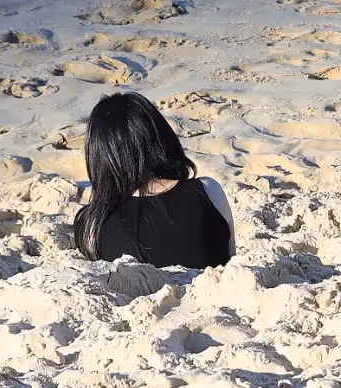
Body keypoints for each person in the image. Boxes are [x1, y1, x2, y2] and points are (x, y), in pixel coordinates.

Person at [73, 91, 234, 269]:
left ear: (99, 157)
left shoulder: (94, 223)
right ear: (161, 137)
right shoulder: (208, 191)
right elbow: (232, 265)